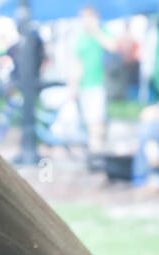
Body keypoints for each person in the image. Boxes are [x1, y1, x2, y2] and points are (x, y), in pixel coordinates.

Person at [70, 5, 114, 154]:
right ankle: (93, 152)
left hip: (98, 83)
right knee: (89, 121)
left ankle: (97, 152)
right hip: (84, 85)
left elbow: (112, 46)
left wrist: (96, 31)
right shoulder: (81, 38)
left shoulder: (101, 32)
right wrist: (74, 85)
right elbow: (77, 63)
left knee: (96, 121)